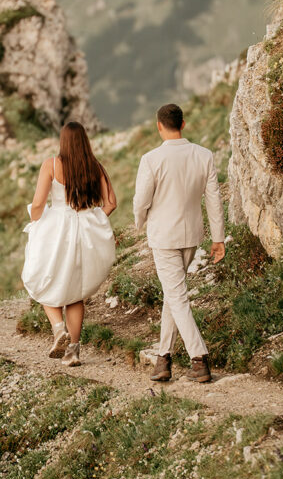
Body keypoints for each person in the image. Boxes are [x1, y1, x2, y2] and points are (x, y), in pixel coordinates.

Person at [132, 103, 225, 383]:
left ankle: (199, 359)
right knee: (174, 295)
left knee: (177, 296)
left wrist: (140, 222)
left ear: (159, 126)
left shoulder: (151, 159)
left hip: (163, 236)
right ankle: (164, 358)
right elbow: (214, 199)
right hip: (191, 235)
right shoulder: (204, 155)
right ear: (183, 124)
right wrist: (218, 238)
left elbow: (141, 201)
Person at [22, 121, 117, 366]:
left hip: (57, 230)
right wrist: (93, 221)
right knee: (75, 295)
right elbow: (111, 202)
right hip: (85, 232)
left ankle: (57, 329)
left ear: (63, 141)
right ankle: (72, 351)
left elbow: (39, 203)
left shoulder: (51, 164)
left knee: (42, 279)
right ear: (85, 140)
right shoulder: (95, 166)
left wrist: (35, 223)